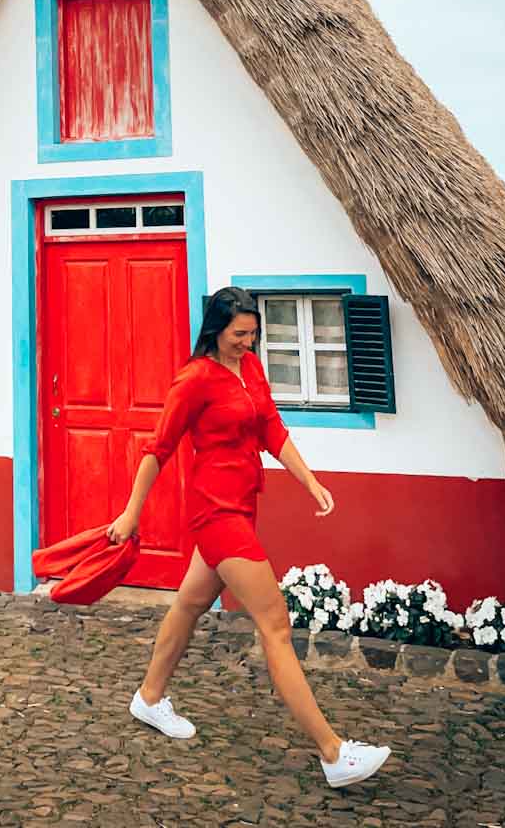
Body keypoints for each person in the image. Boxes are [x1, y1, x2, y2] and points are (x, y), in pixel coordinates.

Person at [106, 286, 391, 790]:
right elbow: (157, 449)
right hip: (215, 516)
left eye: (253, 335)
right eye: (240, 334)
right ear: (216, 329)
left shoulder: (252, 369)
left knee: (189, 604)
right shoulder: (193, 380)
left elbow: (272, 428)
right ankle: (333, 753)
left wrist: (310, 480)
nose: (248, 343)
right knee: (275, 624)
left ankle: (149, 697)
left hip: (242, 506)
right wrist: (131, 514)